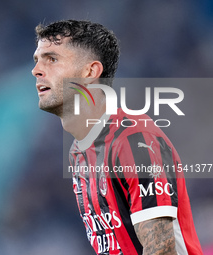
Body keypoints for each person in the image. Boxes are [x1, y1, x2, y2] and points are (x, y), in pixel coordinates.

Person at [32, 20, 203, 255]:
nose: (36, 70)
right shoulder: (78, 152)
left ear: (90, 72)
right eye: (37, 60)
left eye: (52, 59)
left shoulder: (134, 140)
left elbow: (161, 251)